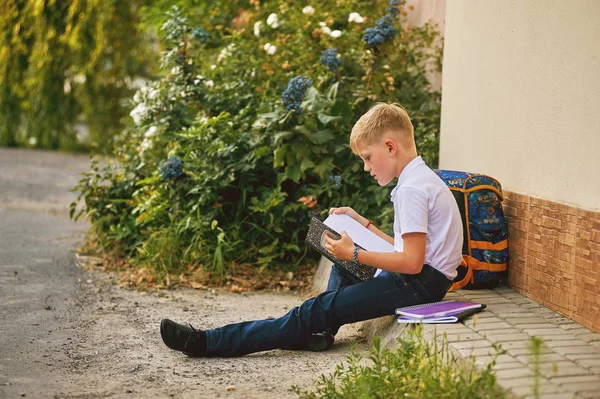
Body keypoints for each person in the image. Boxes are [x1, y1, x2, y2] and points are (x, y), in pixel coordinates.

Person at [160, 102, 463, 357]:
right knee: (343, 267)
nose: (366, 168)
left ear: (389, 147)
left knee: (314, 308)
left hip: (414, 286)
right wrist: (361, 224)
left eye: (367, 158)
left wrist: (356, 252)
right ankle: (318, 333)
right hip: (423, 281)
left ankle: (206, 342)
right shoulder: (422, 179)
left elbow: (410, 262)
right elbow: (407, 247)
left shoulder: (412, 189)